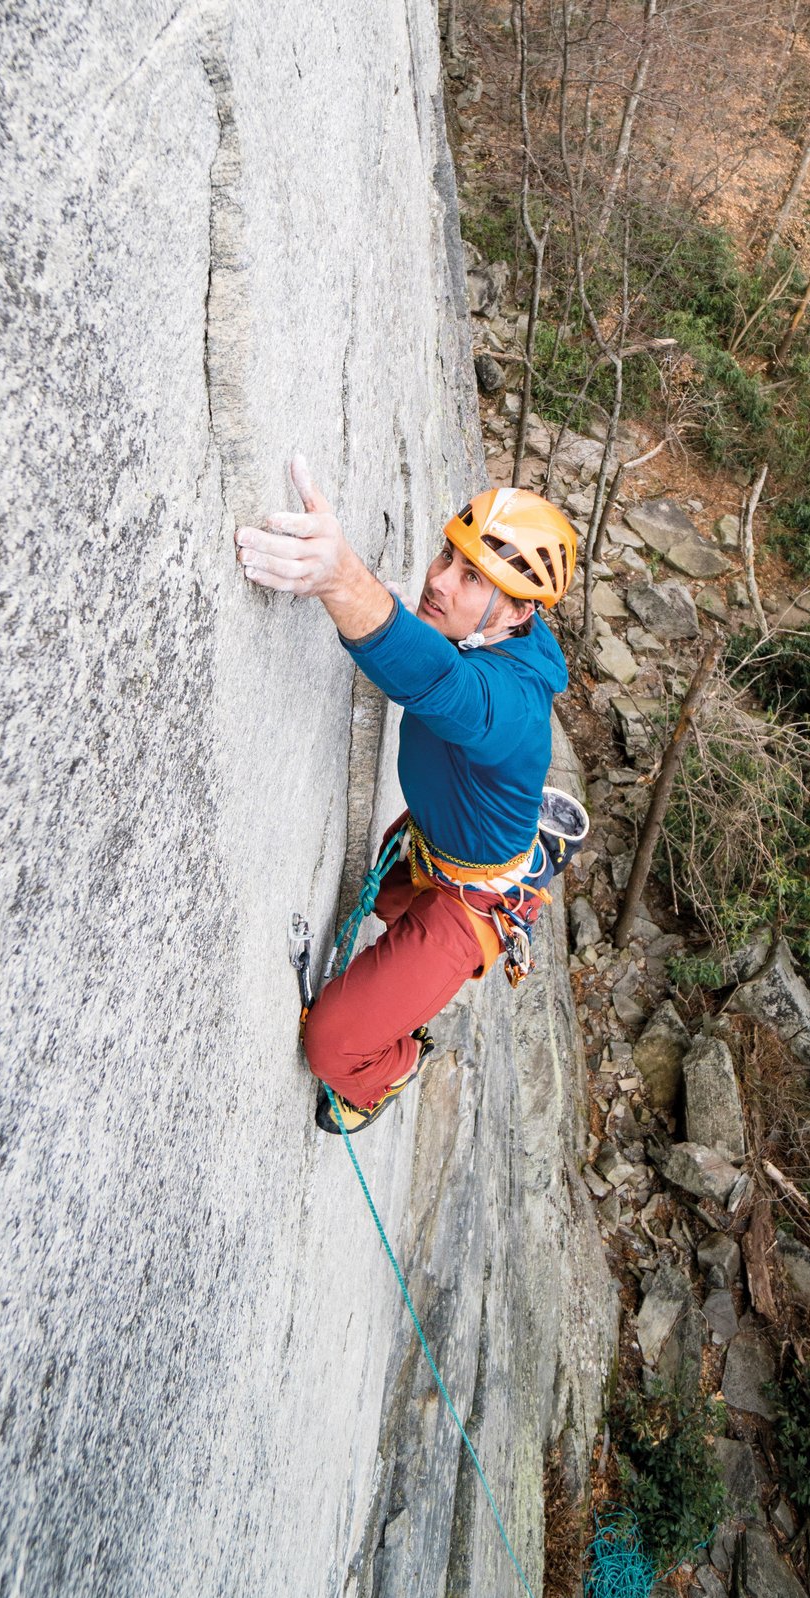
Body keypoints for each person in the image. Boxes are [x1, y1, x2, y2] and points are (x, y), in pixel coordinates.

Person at [236, 456, 577, 1134]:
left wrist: (342, 580)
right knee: (388, 903)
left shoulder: (509, 705)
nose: (440, 581)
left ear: (516, 611)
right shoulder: (480, 631)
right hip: (430, 843)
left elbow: (444, 688)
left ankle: (392, 1070)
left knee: (333, 1044)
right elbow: (428, 646)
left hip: (468, 904)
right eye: (448, 555)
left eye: (471, 577)